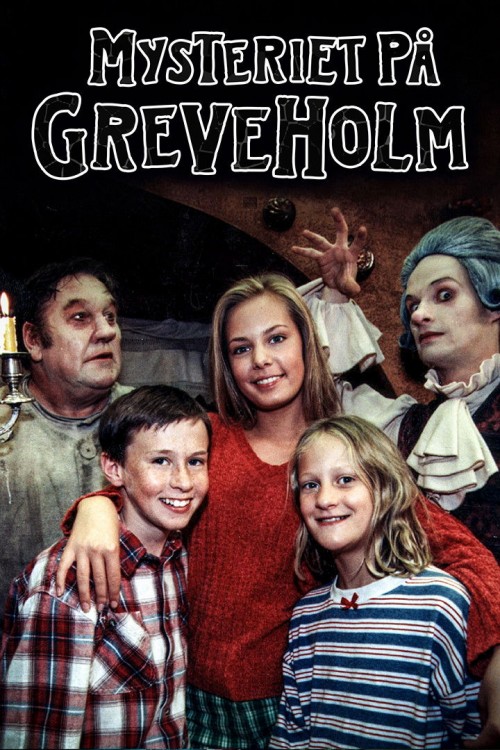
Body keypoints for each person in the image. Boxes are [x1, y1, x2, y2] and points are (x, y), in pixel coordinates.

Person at [55, 271, 500, 749]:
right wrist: (95, 508)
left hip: (291, 701)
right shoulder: (207, 437)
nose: (261, 360)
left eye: (277, 339)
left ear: (306, 342)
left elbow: (466, 555)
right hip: (186, 697)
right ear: (225, 362)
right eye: (240, 348)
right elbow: (143, 487)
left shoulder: (338, 458)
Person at [0, 384, 211, 749]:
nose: (183, 481)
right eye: (160, 461)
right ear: (114, 468)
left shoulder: (179, 557)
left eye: (195, 461)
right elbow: (38, 735)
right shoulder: (67, 583)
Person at [294, 209, 500, 562]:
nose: (418, 315)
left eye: (444, 295)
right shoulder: (405, 426)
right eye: (413, 304)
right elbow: (314, 396)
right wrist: (335, 297)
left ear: (493, 303)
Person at [269, 415, 481, 749]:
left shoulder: (440, 604)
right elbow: (291, 735)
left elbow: (473, 731)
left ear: (384, 488)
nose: (324, 499)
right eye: (311, 485)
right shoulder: (306, 617)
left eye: (345, 479)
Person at [0, 256, 132, 625]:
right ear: (33, 340)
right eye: (80, 317)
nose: (106, 331)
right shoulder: (5, 424)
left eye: (110, 316)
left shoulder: (154, 421)